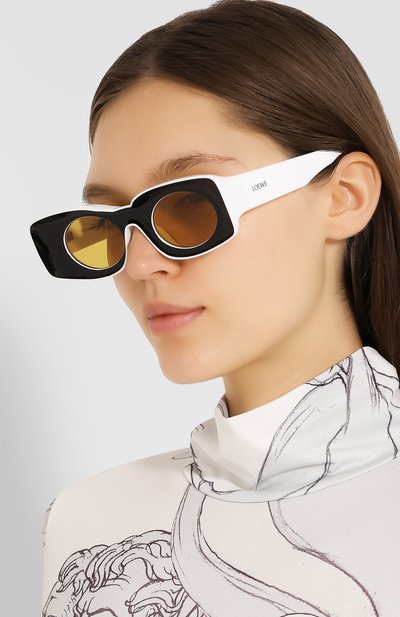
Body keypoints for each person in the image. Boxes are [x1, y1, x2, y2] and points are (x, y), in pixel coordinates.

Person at [30, 0, 400, 615]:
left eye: (188, 207)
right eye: (106, 227)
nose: (140, 265)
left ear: (345, 196)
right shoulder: (89, 526)